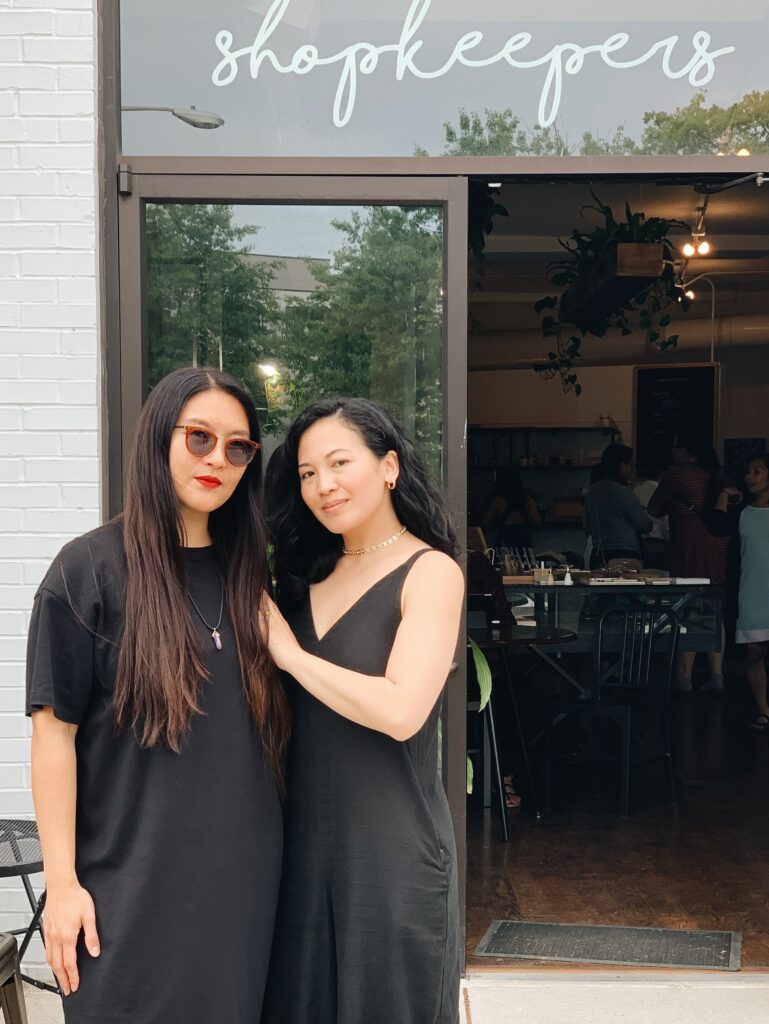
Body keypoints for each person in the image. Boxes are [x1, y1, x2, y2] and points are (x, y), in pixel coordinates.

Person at [26, 368, 288, 1022]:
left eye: (237, 447)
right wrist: (61, 885)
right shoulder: (85, 570)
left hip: (242, 895)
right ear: (157, 440)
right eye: (198, 437)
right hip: (128, 893)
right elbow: (51, 734)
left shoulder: (252, 577)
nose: (217, 461)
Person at [260, 398, 463, 1024]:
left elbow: (403, 709)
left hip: (389, 851)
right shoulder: (295, 577)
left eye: (339, 462)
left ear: (389, 467)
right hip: (295, 850)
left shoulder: (430, 572)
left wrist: (291, 657)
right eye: (306, 473)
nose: (323, 485)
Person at [648, 431, 731, 693]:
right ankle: (717, 676)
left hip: (689, 548)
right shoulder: (718, 473)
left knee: (687, 609)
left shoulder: (677, 474)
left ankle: (684, 678)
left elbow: (654, 508)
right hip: (718, 547)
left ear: (684, 451)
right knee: (713, 610)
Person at [722, 454, 769, 730]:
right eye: (748, 471)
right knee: (754, 651)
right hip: (752, 588)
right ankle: (764, 709)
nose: (750, 477)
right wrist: (723, 496)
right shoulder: (742, 513)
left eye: (757, 471)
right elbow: (716, 527)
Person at [583, 444, 652, 569]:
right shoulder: (623, 492)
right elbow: (645, 525)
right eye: (630, 464)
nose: (632, 470)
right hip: (625, 555)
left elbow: (587, 527)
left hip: (599, 554)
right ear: (621, 464)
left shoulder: (591, 492)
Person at [482, 467, 540, 549]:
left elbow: (485, 522)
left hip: (505, 544)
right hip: (524, 542)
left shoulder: (498, 500)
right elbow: (537, 521)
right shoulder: (527, 499)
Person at [633, 461, 670, 570]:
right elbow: (666, 522)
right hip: (659, 542)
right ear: (663, 473)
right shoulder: (661, 490)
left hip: (640, 543)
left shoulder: (636, 491)